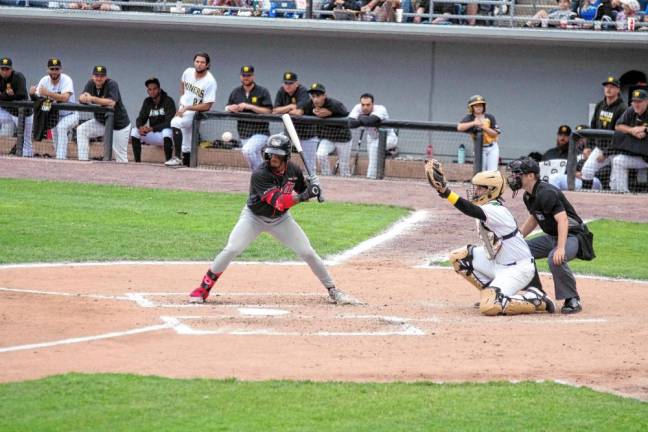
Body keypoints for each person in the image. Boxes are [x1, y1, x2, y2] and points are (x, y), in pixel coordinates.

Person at [188, 133, 362, 306]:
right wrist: (306, 195)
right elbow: (279, 202)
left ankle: (333, 290)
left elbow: (303, 190)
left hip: (281, 220)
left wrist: (314, 187)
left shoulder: (293, 170)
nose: (273, 158)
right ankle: (203, 289)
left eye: (277, 154)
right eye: (270, 153)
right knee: (231, 249)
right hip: (254, 218)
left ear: (286, 156)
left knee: (308, 252)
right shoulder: (260, 174)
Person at [424, 160, 555, 316]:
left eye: (480, 188)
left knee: (489, 308)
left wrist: (446, 192)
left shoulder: (495, 210)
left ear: (491, 190)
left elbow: (469, 209)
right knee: (460, 258)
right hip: (498, 263)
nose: (475, 191)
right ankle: (491, 293)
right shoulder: (487, 207)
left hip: (517, 268)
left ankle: (536, 299)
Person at [507, 157, 589, 314]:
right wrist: (516, 239)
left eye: (519, 174)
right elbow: (534, 219)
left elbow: (563, 220)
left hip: (574, 236)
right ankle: (535, 292)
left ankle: (572, 298)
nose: (515, 177)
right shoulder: (528, 196)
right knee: (520, 251)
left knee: (555, 258)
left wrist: (561, 248)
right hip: (553, 237)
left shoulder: (547, 193)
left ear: (530, 176)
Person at [166, 52, 217, 167]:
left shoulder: (210, 81)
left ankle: (178, 157)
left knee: (175, 122)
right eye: (197, 61)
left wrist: (188, 107)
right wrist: (182, 102)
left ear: (207, 65)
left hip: (195, 112)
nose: (199, 64)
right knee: (186, 143)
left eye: (202, 62)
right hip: (184, 108)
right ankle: (188, 168)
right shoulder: (187, 72)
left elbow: (208, 105)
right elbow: (182, 84)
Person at [295, 83, 352, 176]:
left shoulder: (334, 104)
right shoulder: (309, 104)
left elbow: (348, 115)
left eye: (318, 96)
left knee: (344, 165)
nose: (315, 99)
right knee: (320, 155)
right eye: (313, 96)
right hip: (327, 138)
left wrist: (331, 112)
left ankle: (347, 186)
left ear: (324, 95)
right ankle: (327, 176)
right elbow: (299, 111)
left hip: (343, 138)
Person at [77, 65, 131, 162]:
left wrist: (92, 99)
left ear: (105, 77)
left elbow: (112, 102)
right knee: (81, 130)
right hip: (102, 122)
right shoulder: (90, 84)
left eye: (101, 76)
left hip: (118, 125)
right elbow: (81, 97)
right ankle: (83, 161)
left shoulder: (112, 84)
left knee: (121, 158)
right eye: (96, 75)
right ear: (92, 76)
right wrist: (84, 97)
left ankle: (123, 176)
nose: (99, 78)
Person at [581, 76, 627, 189]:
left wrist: (606, 153)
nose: (608, 89)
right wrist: (589, 147)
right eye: (606, 86)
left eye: (612, 87)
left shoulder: (623, 108)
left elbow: (621, 135)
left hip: (617, 150)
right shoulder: (600, 105)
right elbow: (593, 127)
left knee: (616, 183)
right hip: (600, 147)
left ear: (618, 90)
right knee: (587, 170)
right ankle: (586, 196)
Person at [29, 58, 79, 160]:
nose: (54, 71)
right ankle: (60, 160)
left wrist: (48, 93)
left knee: (61, 128)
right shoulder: (44, 80)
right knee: (56, 142)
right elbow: (37, 98)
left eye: (57, 69)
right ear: (48, 70)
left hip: (70, 114)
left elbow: (65, 97)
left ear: (61, 70)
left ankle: (61, 159)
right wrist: (31, 93)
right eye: (52, 69)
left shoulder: (67, 79)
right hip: (54, 117)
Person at [225, 65, 273, 170]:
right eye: (243, 75)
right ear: (240, 76)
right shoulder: (236, 92)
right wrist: (230, 108)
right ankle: (263, 175)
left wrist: (249, 106)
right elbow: (227, 107)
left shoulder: (262, 91)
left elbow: (269, 110)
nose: (246, 77)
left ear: (253, 77)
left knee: (247, 150)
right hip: (243, 133)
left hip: (260, 132)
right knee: (251, 155)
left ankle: (260, 175)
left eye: (248, 75)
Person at [272, 70, 318, 174]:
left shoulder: (302, 91)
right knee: (283, 159)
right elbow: (274, 110)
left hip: (307, 134)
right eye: (286, 83)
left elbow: (298, 112)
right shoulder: (281, 91)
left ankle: (313, 186)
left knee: (309, 165)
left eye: (290, 83)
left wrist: (285, 109)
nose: (288, 85)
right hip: (290, 132)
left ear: (296, 83)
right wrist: (290, 106)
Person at [348, 93, 398, 179]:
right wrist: (363, 118)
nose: (365, 107)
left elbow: (369, 121)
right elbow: (351, 123)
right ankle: (374, 176)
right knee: (372, 159)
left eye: (368, 105)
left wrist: (359, 117)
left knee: (375, 148)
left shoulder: (380, 109)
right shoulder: (358, 107)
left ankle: (371, 177)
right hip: (371, 137)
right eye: (363, 105)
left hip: (388, 137)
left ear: (373, 104)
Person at [609, 88, 648, 193]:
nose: (636, 104)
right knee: (618, 161)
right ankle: (624, 195)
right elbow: (617, 126)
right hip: (641, 157)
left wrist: (645, 129)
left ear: (646, 101)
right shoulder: (631, 110)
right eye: (634, 101)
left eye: (639, 101)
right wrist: (632, 130)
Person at [131, 77, 177, 163]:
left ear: (159, 89)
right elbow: (141, 117)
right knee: (134, 131)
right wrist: (140, 127)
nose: (152, 91)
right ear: (147, 91)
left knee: (167, 131)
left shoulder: (168, 101)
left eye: (155, 89)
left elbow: (170, 122)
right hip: (154, 134)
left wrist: (152, 128)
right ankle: (137, 162)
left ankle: (168, 161)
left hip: (167, 136)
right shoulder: (147, 101)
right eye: (150, 89)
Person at [0, 57, 34, 157]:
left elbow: (21, 95)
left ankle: (27, 160)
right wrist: (7, 95)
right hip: (6, 112)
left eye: (7, 69)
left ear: (11, 69)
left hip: (22, 113)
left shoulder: (18, 77)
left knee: (26, 141)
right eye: (2, 69)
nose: (5, 71)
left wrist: (3, 95)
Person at [457, 95, 501, 171]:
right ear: (471, 107)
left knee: (492, 171)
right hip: (479, 148)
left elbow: (495, 133)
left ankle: (490, 183)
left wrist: (483, 127)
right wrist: (473, 123)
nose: (478, 107)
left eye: (480, 105)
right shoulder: (469, 118)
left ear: (484, 106)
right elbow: (459, 127)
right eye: (476, 106)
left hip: (492, 147)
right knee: (481, 171)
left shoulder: (490, 117)